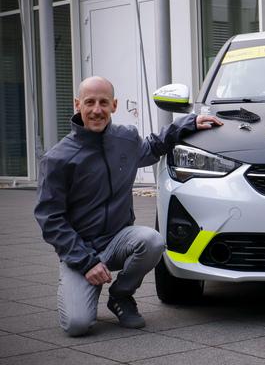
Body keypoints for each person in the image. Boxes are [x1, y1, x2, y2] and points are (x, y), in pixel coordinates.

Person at [34, 76, 222, 336]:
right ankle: (86, 279)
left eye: (103, 102)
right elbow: (50, 218)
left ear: (114, 105)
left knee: (152, 241)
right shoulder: (57, 159)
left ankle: (121, 295)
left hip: (118, 240)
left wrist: (189, 123)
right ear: (77, 104)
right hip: (80, 249)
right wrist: (86, 262)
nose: (97, 110)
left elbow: (153, 146)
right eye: (89, 102)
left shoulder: (125, 139)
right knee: (77, 325)